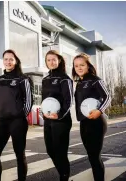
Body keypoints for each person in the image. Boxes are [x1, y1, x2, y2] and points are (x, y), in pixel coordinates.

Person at [0, 49, 34, 181]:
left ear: (16, 61)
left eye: (11, 59)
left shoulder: (23, 79)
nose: (8, 62)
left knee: (19, 155)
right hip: (2, 121)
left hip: (18, 121)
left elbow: (29, 101)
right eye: (6, 59)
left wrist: (20, 116)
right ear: (3, 61)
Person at [72, 53, 111, 181]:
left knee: (95, 157)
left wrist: (99, 111)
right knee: (91, 157)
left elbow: (108, 97)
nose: (79, 68)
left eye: (82, 65)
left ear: (88, 66)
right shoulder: (79, 83)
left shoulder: (95, 80)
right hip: (84, 123)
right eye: (76, 65)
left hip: (97, 123)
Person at [41, 50, 73, 181]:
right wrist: (44, 114)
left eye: (54, 59)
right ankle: (63, 173)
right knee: (50, 150)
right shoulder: (45, 79)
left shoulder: (65, 79)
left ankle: (64, 177)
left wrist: (59, 115)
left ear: (59, 61)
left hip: (62, 120)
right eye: (48, 60)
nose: (51, 62)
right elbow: (44, 100)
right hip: (48, 120)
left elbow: (68, 101)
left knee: (60, 152)